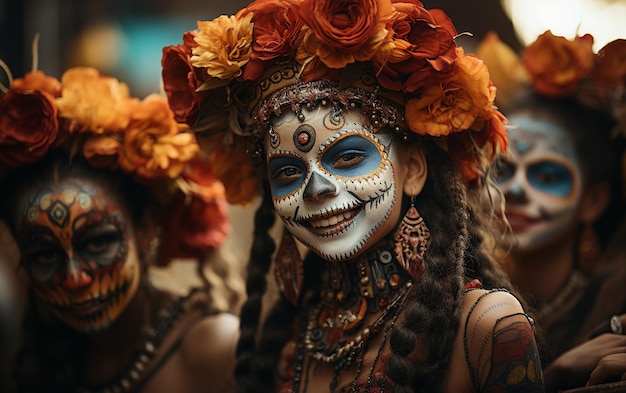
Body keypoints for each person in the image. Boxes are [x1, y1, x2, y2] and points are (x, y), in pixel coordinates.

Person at [161, 0, 545, 392]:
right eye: (288, 172)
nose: (315, 189)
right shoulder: (284, 342)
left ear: (412, 169)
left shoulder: (486, 326)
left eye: (346, 157)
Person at [0, 65, 240, 392]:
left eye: (98, 243)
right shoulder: (42, 360)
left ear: (146, 229)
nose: (75, 278)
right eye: (44, 255)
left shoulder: (214, 348)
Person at [478, 32, 626, 390]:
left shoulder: (618, 303)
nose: (515, 190)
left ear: (593, 201)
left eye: (546, 175)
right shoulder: (452, 297)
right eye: (503, 170)